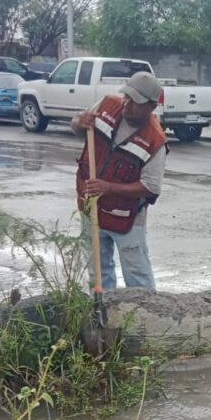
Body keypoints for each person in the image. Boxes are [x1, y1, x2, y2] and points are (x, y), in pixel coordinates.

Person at [70, 72, 168, 289]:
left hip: (127, 218)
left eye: (136, 102)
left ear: (152, 107)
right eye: (127, 96)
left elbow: (151, 187)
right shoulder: (107, 105)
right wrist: (79, 121)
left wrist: (109, 188)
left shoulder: (155, 140)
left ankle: (144, 317)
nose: (127, 104)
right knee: (98, 273)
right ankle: (103, 313)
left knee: (137, 276)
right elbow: (77, 125)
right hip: (91, 207)